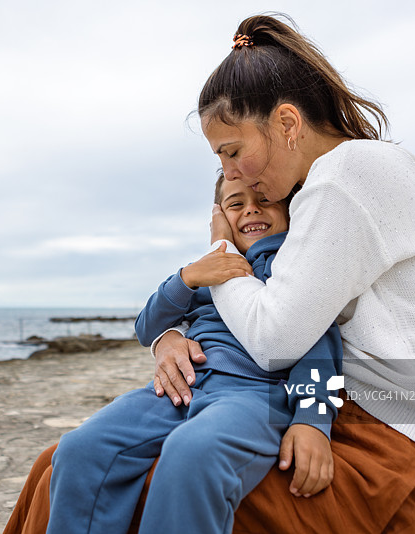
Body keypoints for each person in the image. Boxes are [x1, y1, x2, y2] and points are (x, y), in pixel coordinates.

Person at [4, 13, 415, 534]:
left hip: (395, 435)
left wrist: (220, 250)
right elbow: (262, 309)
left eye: (234, 152)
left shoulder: (345, 178)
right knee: (64, 459)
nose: (229, 173)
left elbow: (279, 337)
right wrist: (169, 335)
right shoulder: (320, 186)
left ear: (288, 124)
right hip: (342, 407)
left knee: (157, 476)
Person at [46, 174, 342, 534]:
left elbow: (320, 343)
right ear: (219, 215)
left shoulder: (296, 266)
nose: (250, 208)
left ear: (289, 209)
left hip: (254, 397)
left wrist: (313, 420)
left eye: (264, 200)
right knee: (80, 448)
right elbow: (146, 328)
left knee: (192, 453)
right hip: (181, 389)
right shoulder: (207, 274)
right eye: (235, 204)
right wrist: (187, 277)